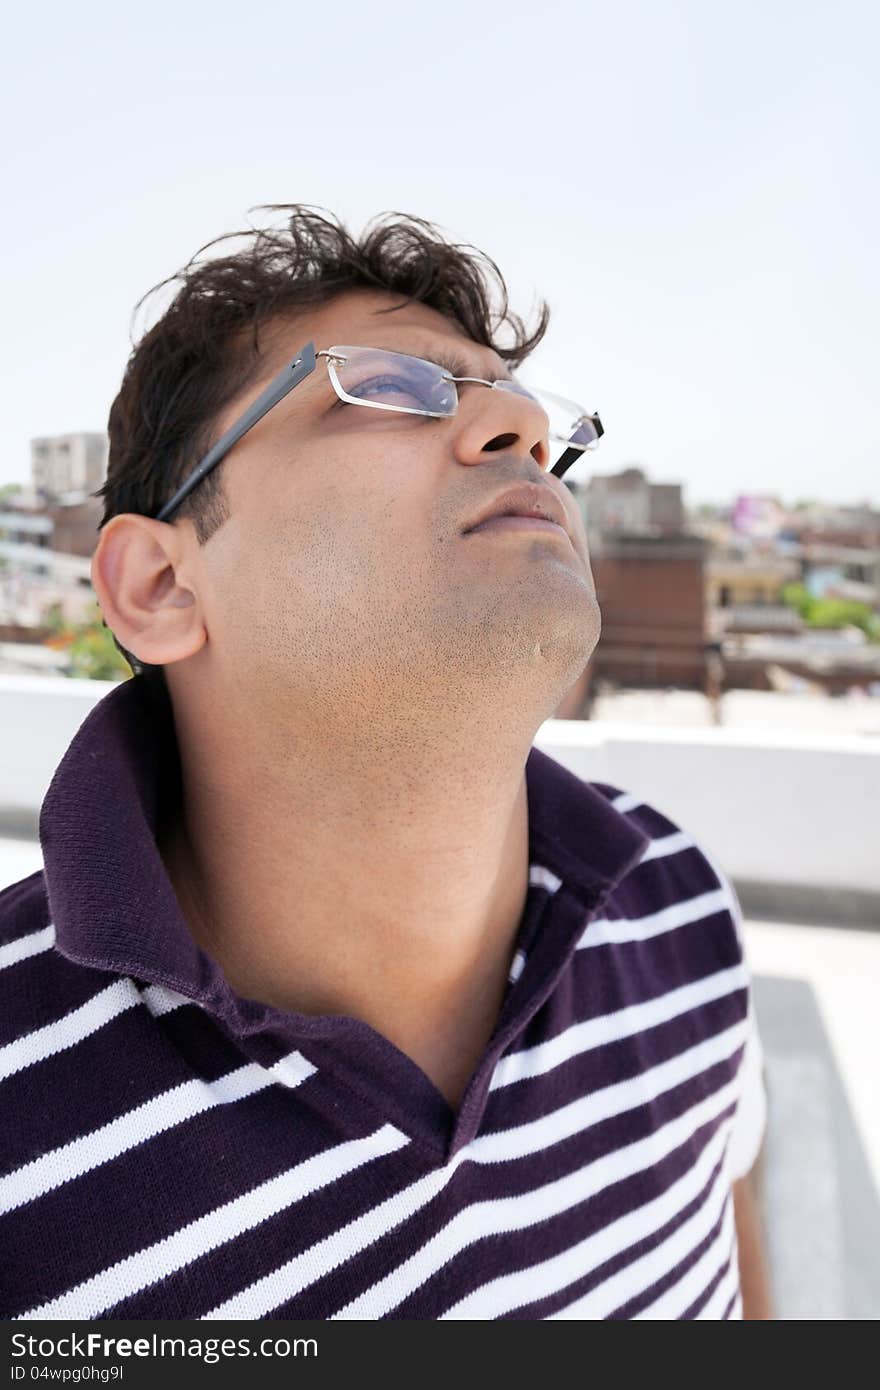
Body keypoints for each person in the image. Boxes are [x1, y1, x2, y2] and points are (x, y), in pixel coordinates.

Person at [0, 205, 771, 1320]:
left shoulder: (677, 900)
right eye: (392, 387)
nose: (518, 424)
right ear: (161, 587)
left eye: (520, 404)